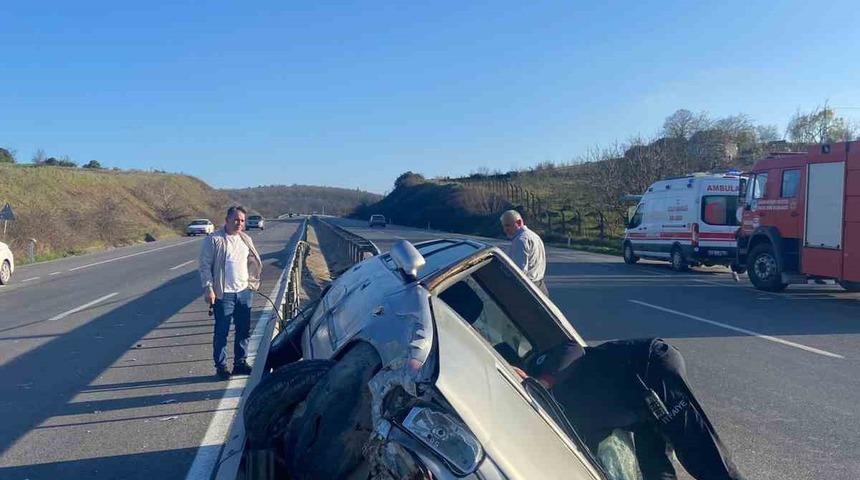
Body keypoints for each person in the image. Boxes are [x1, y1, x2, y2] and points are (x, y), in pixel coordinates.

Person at [524, 338, 745, 480]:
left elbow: (573, 349)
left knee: (702, 457)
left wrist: (538, 383)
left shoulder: (537, 368)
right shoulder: (559, 416)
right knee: (655, 470)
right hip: (639, 416)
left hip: (648, 373)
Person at [199, 205, 263, 379]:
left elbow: (252, 261)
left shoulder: (245, 239)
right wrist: (209, 288)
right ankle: (221, 367)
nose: (239, 223)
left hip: (243, 292)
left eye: (242, 220)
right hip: (223, 294)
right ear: (226, 220)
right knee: (222, 331)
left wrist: (251, 282)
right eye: (235, 219)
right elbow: (205, 266)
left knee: (243, 331)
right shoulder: (215, 240)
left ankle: (240, 364)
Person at [500, 209, 548, 295]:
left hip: (529, 289)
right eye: (503, 226)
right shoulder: (534, 236)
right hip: (541, 286)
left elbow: (519, 271)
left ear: (519, 222)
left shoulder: (520, 241)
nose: (505, 229)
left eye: (508, 226)